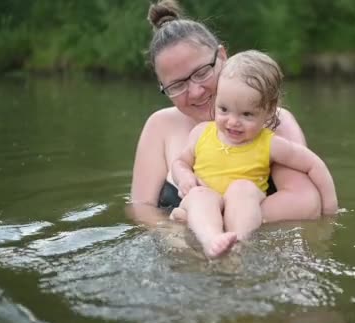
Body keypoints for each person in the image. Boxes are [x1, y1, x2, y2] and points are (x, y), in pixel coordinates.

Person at [128, 0, 330, 226]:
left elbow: (306, 203)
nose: (195, 92)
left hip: (252, 251)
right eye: (176, 85)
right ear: (162, 87)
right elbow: (141, 209)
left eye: (202, 72)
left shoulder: (275, 122)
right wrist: (180, 237)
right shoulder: (160, 126)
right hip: (180, 252)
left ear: (222, 56)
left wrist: (214, 222)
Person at [170, 50, 338, 257]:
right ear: (216, 100)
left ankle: (237, 242)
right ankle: (211, 240)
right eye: (223, 109)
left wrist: (330, 210)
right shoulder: (201, 133)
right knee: (199, 195)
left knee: (242, 190)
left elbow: (313, 164)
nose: (232, 122)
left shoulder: (270, 143)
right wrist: (185, 177)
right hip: (206, 198)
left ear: (268, 111)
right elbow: (180, 161)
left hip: (243, 204)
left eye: (247, 114)